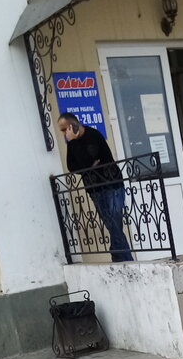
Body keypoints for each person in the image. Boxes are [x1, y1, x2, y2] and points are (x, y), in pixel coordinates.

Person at [57, 112, 133, 262]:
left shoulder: (92, 135)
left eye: (65, 129)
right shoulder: (72, 143)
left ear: (73, 126)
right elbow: (72, 167)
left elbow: (85, 163)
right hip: (94, 189)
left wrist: (86, 165)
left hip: (112, 185)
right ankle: (118, 256)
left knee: (114, 224)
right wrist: (87, 164)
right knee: (112, 225)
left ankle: (126, 260)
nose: (64, 133)